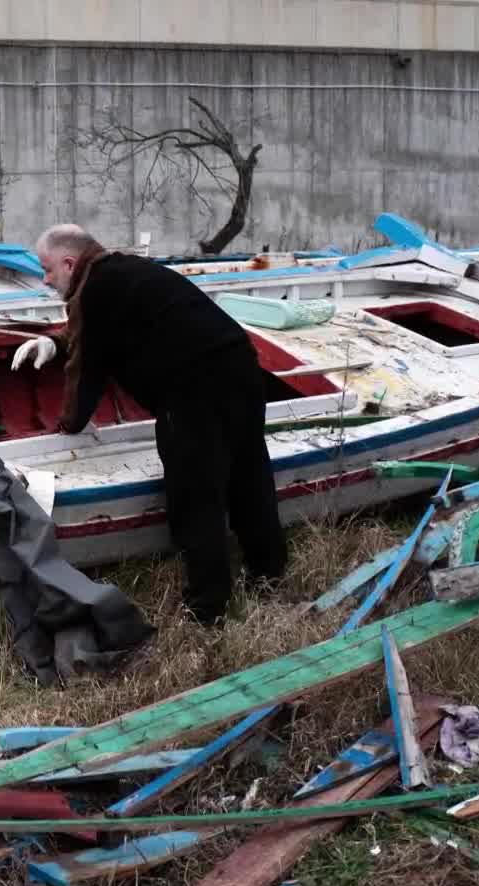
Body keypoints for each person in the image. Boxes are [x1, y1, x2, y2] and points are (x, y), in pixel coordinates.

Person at [16, 223, 287, 624]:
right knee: (249, 479)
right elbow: (89, 332)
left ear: (69, 263)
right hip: (242, 369)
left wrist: (69, 427)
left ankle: (205, 610)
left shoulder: (95, 289)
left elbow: (86, 370)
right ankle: (270, 577)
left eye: (48, 270)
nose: (46, 279)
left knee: (195, 499)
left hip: (194, 389)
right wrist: (53, 341)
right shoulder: (124, 271)